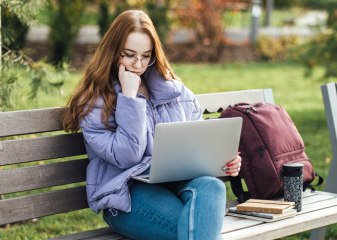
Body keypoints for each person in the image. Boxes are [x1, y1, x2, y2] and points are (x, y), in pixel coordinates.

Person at [62, 10, 241, 240]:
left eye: (146, 56)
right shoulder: (95, 102)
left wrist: (222, 160)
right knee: (194, 226)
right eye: (129, 55)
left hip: (176, 181)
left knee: (213, 187)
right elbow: (128, 157)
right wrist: (128, 97)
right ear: (113, 52)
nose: (138, 64)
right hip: (126, 193)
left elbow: (198, 137)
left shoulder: (174, 90)